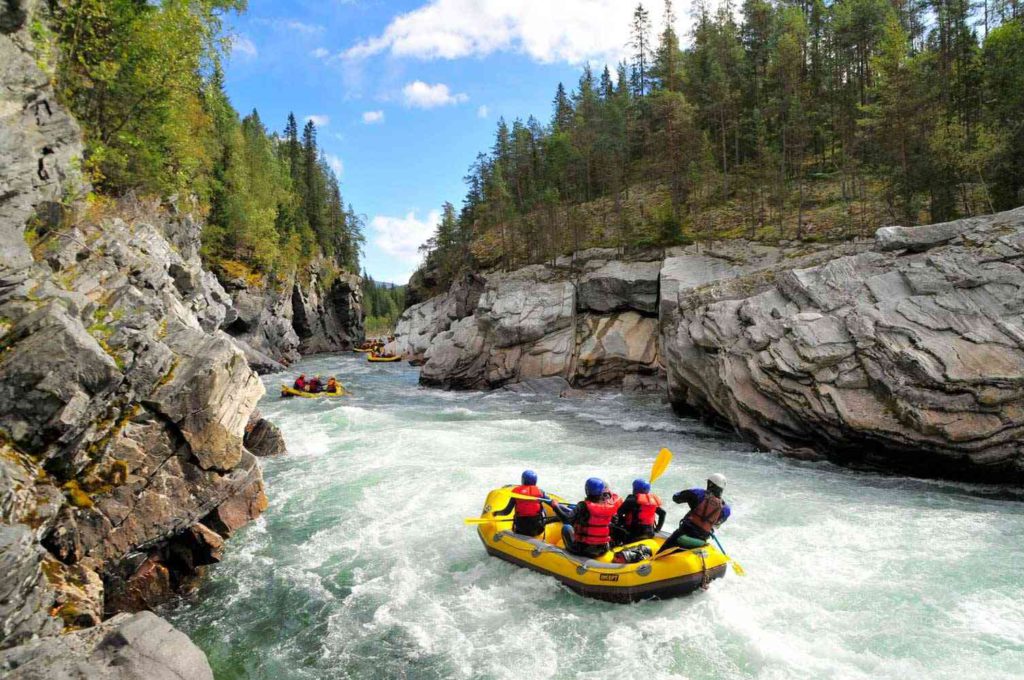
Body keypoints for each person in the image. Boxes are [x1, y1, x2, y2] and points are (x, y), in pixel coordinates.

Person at [656, 473, 731, 555]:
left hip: (683, 533)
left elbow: (676, 498)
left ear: (710, 484)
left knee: (660, 553)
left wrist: (692, 503)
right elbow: (716, 524)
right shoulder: (726, 510)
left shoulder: (699, 493)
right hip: (701, 540)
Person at [553, 478, 622, 558]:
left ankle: (568, 557)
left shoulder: (582, 506)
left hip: (584, 549)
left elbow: (566, 519)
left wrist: (555, 506)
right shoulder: (609, 505)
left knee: (566, 528)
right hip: (603, 549)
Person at [493, 470, 548, 537]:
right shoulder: (541, 492)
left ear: (523, 480)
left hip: (521, 529)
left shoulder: (516, 493)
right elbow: (552, 504)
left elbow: (506, 512)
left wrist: (496, 513)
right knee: (543, 509)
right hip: (537, 529)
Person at [613, 479, 666, 545]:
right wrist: (658, 529)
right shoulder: (651, 502)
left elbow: (619, 513)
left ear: (635, 489)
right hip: (650, 533)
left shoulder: (631, 500)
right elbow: (663, 513)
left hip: (633, 534)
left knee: (613, 526)